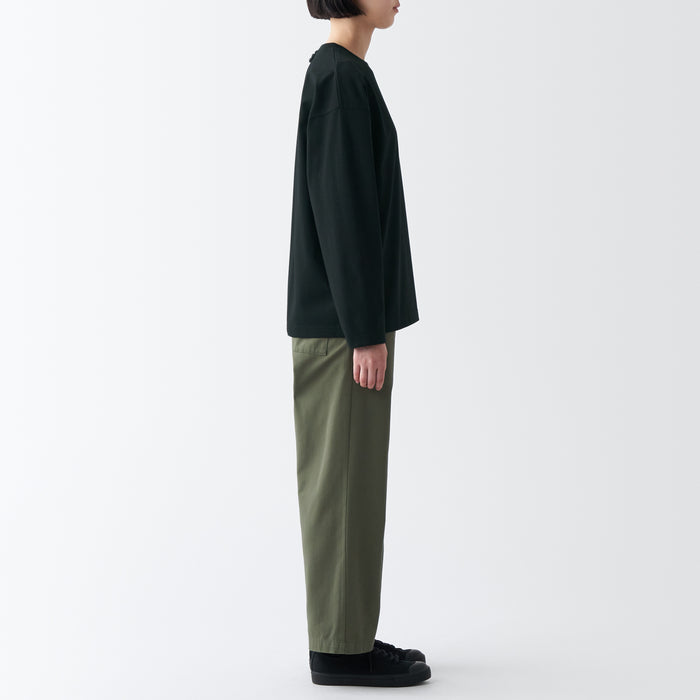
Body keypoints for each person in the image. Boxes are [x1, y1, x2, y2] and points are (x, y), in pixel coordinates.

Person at [286, 0, 430, 687]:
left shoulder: (343, 75)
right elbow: (342, 211)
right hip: (343, 332)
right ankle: (341, 652)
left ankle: (347, 637)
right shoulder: (340, 78)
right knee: (344, 487)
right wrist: (365, 333)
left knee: (351, 485)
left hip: (343, 326)